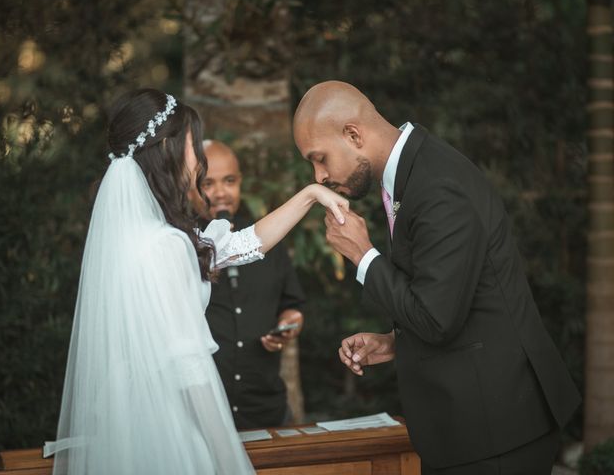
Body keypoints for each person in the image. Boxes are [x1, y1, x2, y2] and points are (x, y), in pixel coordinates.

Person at [44, 88, 348, 475]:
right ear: (169, 147)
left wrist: (309, 195)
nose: (198, 160)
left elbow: (242, 244)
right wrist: (228, 458)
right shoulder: (166, 245)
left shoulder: (134, 237)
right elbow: (189, 367)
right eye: (192, 144)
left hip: (128, 424)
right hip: (172, 428)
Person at [293, 81, 581, 475]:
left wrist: (363, 255)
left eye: (320, 158)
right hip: (471, 428)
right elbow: (450, 294)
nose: (319, 175)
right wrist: (396, 341)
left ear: (354, 134)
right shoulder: (413, 171)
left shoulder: (437, 185)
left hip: (497, 431)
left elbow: (437, 319)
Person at [189, 139, 306, 429]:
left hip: (267, 408)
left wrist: (289, 325)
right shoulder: (182, 245)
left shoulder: (268, 240)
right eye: (208, 183)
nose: (220, 193)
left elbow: (292, 306)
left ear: (240, 181)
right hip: (203, 417)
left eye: (229, 181)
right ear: (191, 187)